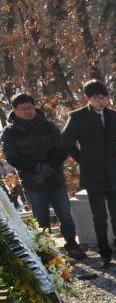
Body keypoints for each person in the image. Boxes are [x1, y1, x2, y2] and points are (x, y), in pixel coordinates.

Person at [62, 80, 116, 269]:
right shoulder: (77, 117)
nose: (102, 102)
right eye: (97, 98)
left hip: (113, 172)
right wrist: (82, 159)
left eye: (104, 98)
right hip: (92, 174)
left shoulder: (114, 116)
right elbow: (66, 141)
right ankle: (105, 254)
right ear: (88, 98)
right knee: (99, 216)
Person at [2, 93, 85, 259]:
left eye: (30, 108)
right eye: (23, 109)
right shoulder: (9, 133)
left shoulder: (48, 126)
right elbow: (13, 158)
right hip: (32, 181)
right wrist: (37, 167)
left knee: (65, 215)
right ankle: (48, 251)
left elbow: (61, 148)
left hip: (55, 178)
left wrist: (49, 167)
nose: (27, 111)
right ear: (15, 110)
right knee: (41, 220)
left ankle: (72, 245)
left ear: (35, 107)